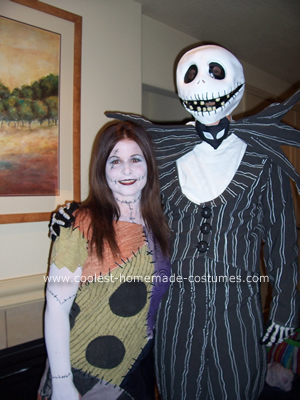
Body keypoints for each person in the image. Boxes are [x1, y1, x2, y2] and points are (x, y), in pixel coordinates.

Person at [50, 45, 300, 399]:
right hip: (175, 315)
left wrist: (285, 309)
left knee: (239, 389)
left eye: (215, 73)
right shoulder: (165, 157)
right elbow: (126, 198)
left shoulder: (264, 161)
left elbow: (282, 241)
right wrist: (75, 213)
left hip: (239, 314)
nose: (204, 86)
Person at [38, 121, 171, 400]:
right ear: (102, 169)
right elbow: (56, 308)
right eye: (115, 161)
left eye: (135, 159)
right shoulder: (80, 223)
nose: (126, 170)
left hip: (139, 366)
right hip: (84, 373)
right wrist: (62, 382)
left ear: (149, 165)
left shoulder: (161, 224)